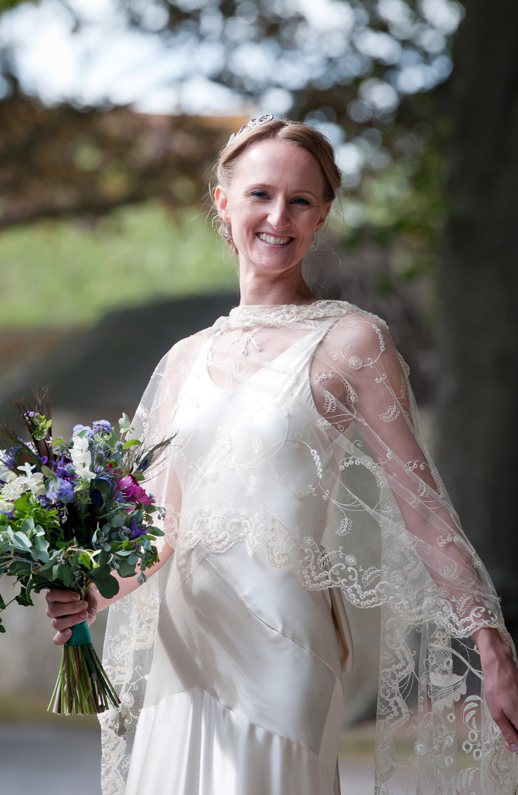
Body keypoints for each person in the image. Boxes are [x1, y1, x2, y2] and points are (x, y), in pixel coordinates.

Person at [46, 116, 518, 795]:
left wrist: (492, 644)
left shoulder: (354, 340)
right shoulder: (185, 359)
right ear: (224, 202)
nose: (278, 216)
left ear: (322, 216)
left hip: (285, 647)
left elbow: (423, 509)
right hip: (186, 649)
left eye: (300, 200)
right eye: (261, 194)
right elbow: (161, 529)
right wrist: (89, 594)